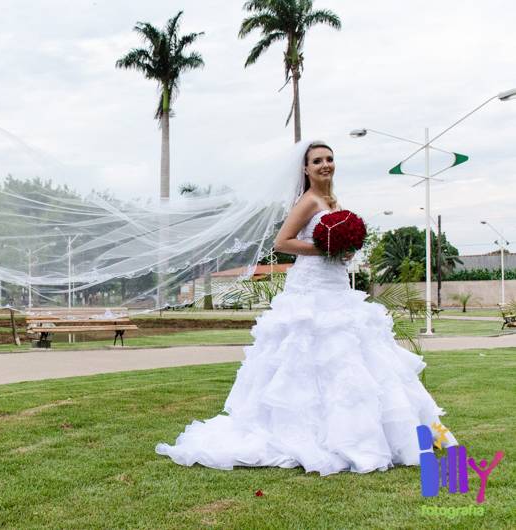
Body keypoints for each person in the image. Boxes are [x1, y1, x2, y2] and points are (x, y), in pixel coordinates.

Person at [155, 140, 457, 476]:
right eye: (317, 161)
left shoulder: (332, 200)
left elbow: (333, 241)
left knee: (355, 355)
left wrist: (345, 251)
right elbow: (282, 242)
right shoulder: (308, 201)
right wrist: (324, 248)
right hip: (312, 289)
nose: (325, 165)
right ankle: (315, 435)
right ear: (305, 168)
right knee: (315, 356)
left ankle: (381, 431)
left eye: (329, 159)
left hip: (337, 286)